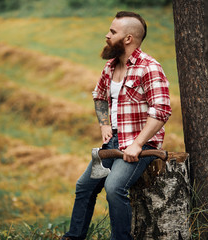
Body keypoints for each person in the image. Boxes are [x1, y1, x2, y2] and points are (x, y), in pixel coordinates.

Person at [62, 11, 172, 240]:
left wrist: (137, 145)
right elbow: (99, 95)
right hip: (113, 143)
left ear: (128, 38)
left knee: (114, 188)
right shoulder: (110, 67)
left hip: (140, 145)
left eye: (112, 32)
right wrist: (104, 125)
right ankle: (73, 237)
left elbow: (161, 111)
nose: (107, 35)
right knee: (84, 187)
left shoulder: (149, 67)